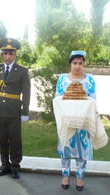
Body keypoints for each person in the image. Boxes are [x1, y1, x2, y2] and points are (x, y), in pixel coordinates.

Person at [0, 38, 30, 179]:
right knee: (1, 139)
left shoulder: (22, 71)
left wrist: (25, 112)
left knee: (15, 140)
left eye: (10, 53)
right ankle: (5, 165)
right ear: (1, 54)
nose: (7, 56)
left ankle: (15, 166)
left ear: (15, 54)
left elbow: (27, 93)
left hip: (14, 111)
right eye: (5, 53)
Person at [55, 51, 96, 191]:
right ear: (70, 64)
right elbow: (57, 99)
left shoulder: (89, 80)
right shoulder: (62, 79)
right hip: (66, 122)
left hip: (83, 123)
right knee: (65, 150)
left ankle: (79, 177)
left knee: (82, 151)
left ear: (83, 64)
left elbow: (93, 100)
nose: (77, 66)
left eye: (80, 63)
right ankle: (65, 175)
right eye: (74, 63)